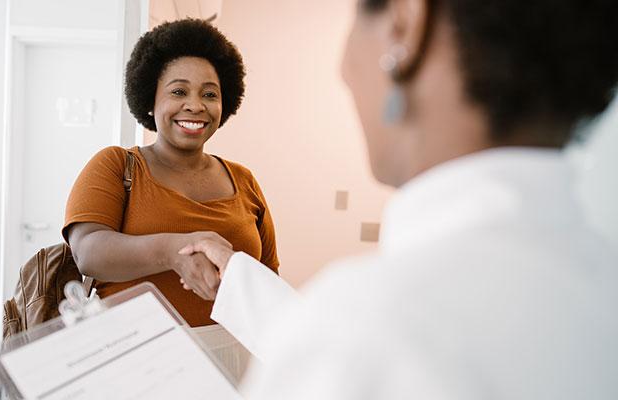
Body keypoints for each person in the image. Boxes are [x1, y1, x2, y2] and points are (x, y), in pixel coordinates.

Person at [178, 0, 618, 398]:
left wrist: (324, 335)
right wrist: (237, 276)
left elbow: (361, 344)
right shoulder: (599, 284)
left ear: (404, 26)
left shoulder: (364, 338)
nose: (345, 70)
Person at [62, 19, 279, 329]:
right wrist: (173, 252)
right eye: (179, 91)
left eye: (209, 95)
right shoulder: (116, 166)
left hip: (230, 362)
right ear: (151, 100)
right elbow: (88, 252)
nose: (195, 105)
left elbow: (267, 276)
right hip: (136, 360)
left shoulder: (244, 181)